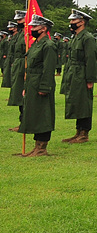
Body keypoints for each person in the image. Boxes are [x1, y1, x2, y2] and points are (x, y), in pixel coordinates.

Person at [17, 15, 57, 157]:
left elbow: (48, 68)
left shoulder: (49, 45)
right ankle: (36, 146)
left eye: (35, 27)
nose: (31, 29)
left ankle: (42, 147)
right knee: (34, 113)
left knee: (43, 114)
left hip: (41, 83)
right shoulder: (36, 43)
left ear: (44, 29)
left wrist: (44, 87)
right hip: (32, 83)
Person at [60, 10, 97, 145]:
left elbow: (91, 59)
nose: (71, 23)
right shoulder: (76, 37)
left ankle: (84, 133)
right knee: (77, 101)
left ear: (81, 22)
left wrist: (90, 79)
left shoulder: (87, 38)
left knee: (84, 103)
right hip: (74, 73)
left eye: (73, 21)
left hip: (82, 73)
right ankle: (78, 131)